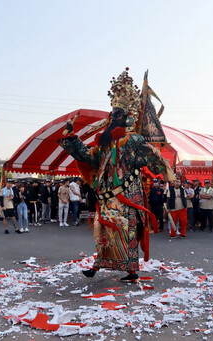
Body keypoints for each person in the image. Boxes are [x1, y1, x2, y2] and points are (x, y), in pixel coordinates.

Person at [58, 69, 175, 282]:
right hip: (107, 196)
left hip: (128, 196)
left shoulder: (134, 140)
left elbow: (151, 158)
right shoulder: (104, 141)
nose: (113, 117)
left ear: (127, 116)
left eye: (118, 113)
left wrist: (158, 161)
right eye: (112, 113)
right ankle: (97, 265)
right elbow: (89, 159)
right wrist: (71, 138)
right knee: (103, 232)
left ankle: (132, 271)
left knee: (127, 231)